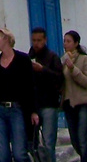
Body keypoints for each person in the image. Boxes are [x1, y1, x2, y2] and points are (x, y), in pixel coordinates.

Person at [0, 28, 37, 162]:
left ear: (6, 39)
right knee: (3, 156)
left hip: (16, 109)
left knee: (20, 153)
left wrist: (33, 111)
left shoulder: (23, 59)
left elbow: (29, 86)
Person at [61, 31, 87, 162]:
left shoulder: (84, 59)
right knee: (75, 141)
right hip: (69, 104)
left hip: (83, 103)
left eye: (68, 41)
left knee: (82, 140)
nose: (65, 44)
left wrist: (73, 69)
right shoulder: (63, 60)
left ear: (76, 43)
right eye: (64, 41)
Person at [28, 27, 63, 162]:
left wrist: (42, 70)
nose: (36, 43)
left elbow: (59, 78)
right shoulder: (29, 57)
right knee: (32, 143)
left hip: (49, 104)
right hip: (34, 106)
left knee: (48, 143)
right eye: (34, 40)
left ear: (45, 40)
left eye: (39, 40)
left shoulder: (52, 57)